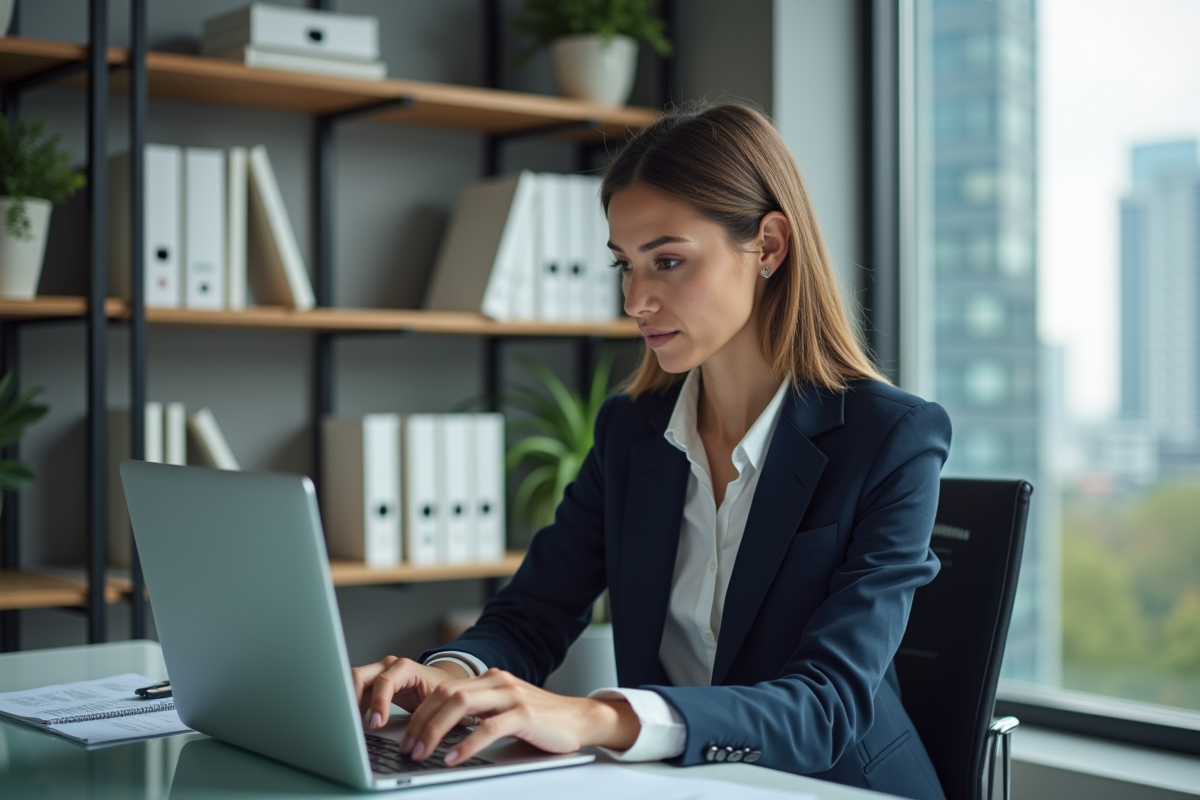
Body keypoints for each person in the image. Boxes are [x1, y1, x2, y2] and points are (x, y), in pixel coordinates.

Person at [352, 101, 950, 800]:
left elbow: (828, 705)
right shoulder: (631, 430)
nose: (636, 300)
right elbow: (534, 614)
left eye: (667, 261)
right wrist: (455, 674)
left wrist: (601, 717)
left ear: (770, 246)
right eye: (624, 265)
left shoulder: (891, 439)